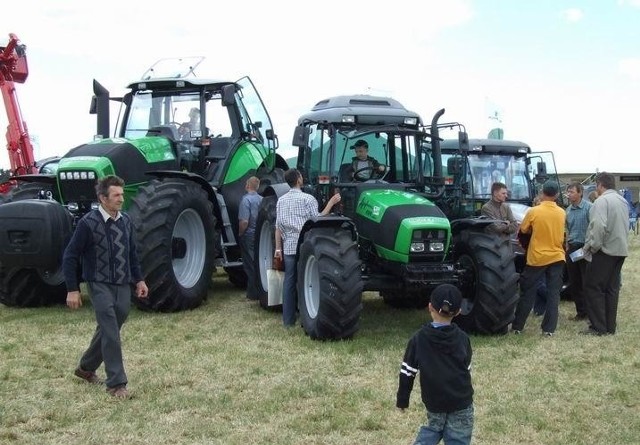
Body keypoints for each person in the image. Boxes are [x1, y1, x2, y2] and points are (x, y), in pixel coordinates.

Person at [63, 175, 148, 398]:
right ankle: (116, 384)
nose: (121, 199)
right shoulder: (88, 224)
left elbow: (132, 254)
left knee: (111, 326)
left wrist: (139, 279)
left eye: (122, 194)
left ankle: (85, 368)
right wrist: (73, 289)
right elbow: (70, 256)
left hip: (122, 283)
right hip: (98, 283)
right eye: (116, 195)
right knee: (110, 330)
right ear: (103, 198)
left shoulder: (126, 221)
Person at [396, 284, 474, 445]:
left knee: (434, 428)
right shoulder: (463, 338)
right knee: (458, 438)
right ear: (459, 311)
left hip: (434, 401)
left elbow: (407, 372)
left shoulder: (418, 339)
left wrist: (402, 400)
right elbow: (467, 369)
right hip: (461, 401)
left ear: (430, 306)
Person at [274, 168, 341, 327]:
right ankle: (307, 313)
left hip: (289, 246)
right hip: (306, 245)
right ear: (298, 180)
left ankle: (288, 321)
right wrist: (331, 203)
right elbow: (317, 219)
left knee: (289, 282)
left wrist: (278, 249)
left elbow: (277, 227)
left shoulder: (281, 200)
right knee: (307, 281)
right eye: (300, 176)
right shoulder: (308, 199)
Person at [511, 181, 565, 336]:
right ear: (556, 195)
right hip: (557, 256)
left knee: (527, 292)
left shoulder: (534, 211)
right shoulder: (562, 212)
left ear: (542, 193)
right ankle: (549, 329)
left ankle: (518, 326)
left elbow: (524, 230)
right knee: (554, 294)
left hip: (537, 257)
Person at [582, 173, 629, 336]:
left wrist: (592, 247)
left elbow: (598, 227)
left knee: (593, 287)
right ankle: (610, 326)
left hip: (604, 251)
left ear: (600, 185)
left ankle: (598, 327)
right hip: (620, 250)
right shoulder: (622, 201)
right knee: (611, 289)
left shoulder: (601, 201)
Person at [564, 182, 592, 321]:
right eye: (568, 192)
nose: (569, 194)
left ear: (580, 192)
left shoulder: (589, 208)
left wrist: (588, 247)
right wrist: (566, 244)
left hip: (586, 248)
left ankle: (590, 311)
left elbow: (593, 228)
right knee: (575, 282)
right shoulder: (567, 210)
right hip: (572, 248)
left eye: (572, 192)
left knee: (587, 281)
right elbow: (566, 229)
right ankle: (581, 312)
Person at [238, 176, 263, 300]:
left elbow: (244, 222)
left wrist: (240, 234)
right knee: (257, 262)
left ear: (247, 185)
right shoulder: (262, 200)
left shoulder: (245, 201)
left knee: (249, 264)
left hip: (248, 235)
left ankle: (253, 293)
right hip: (259, 236)